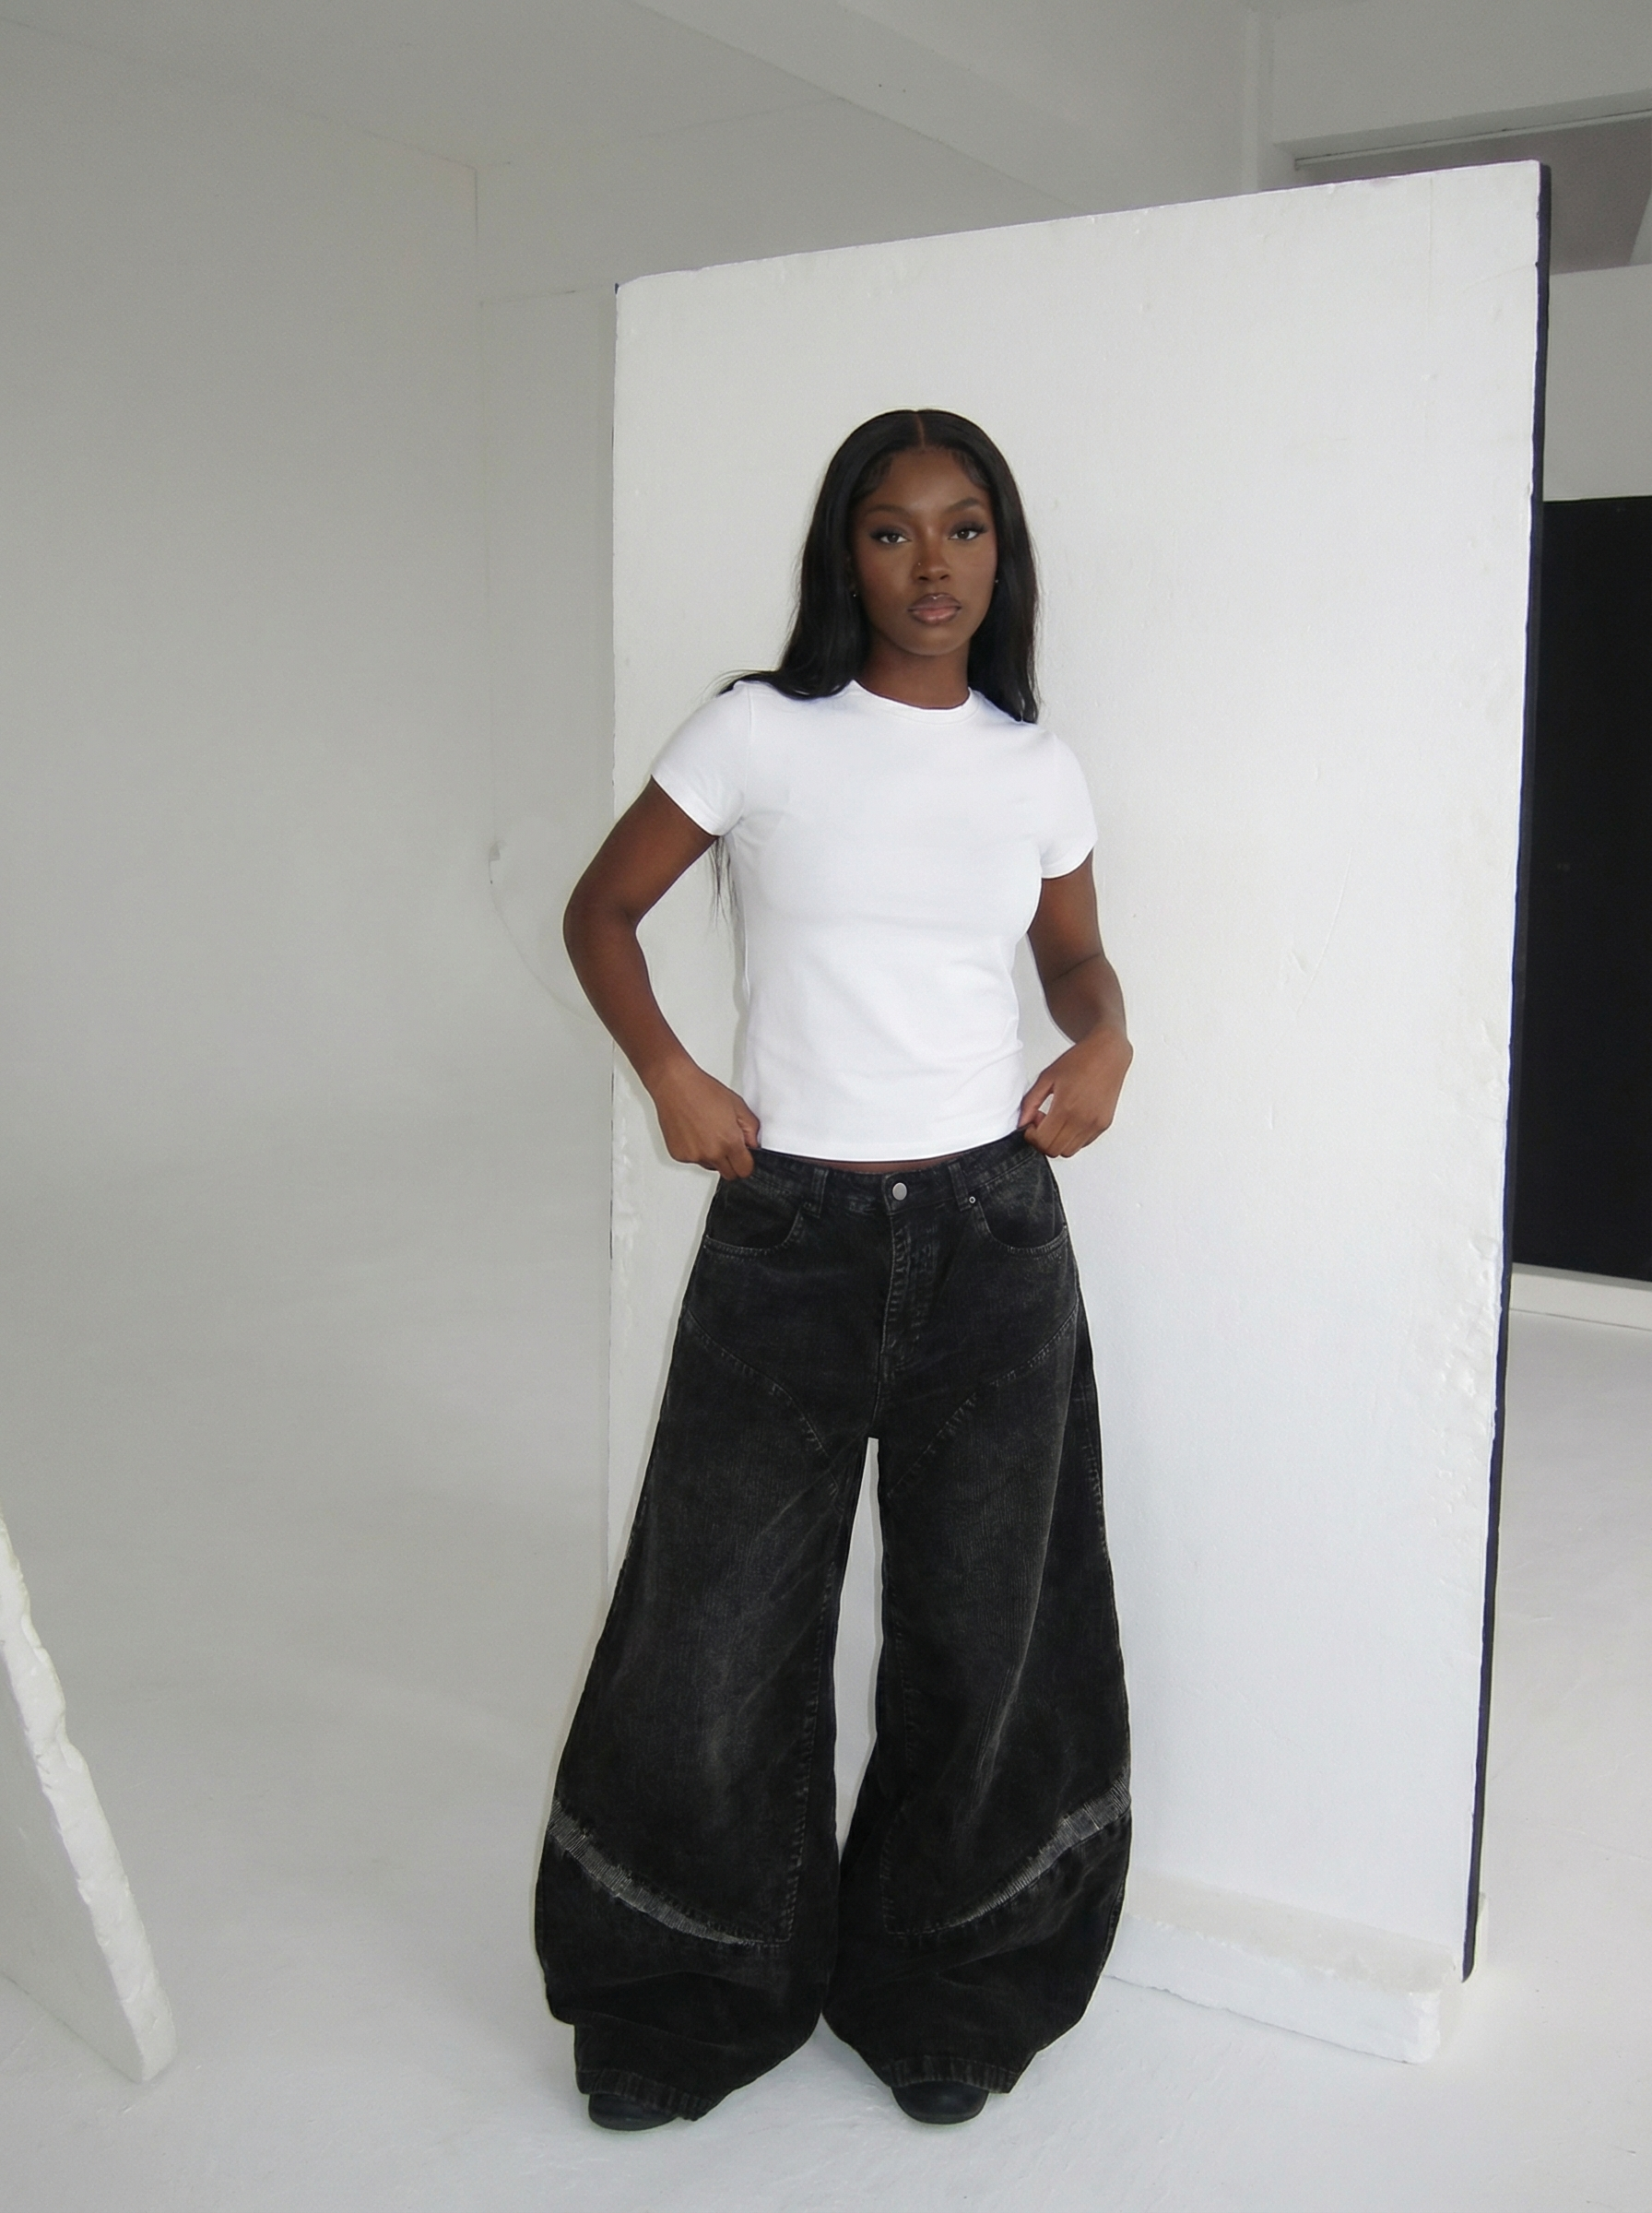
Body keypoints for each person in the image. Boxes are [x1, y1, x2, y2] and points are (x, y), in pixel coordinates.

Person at [536, 408, 1133, 2132]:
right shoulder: (758, 732)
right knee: (713, 1628)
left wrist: (1106, 1041)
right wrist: (672, 1072)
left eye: (965, 528)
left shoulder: (1035, 768)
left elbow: (1077, 962)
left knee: (987, 1630)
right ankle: (683, 1993)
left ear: (1002, 554)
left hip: (993, 1242)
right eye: (893, 530)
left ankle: (949, 1983)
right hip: (787, 1237)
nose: (932, 564)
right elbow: (599, 911)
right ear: (845, 555)